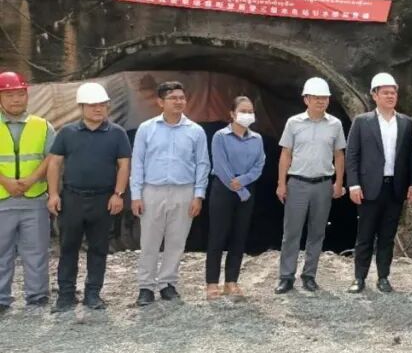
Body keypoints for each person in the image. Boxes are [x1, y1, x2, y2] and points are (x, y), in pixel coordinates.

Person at [46, 82, 130, 311]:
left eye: (102, 104)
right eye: (92, 105)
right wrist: (53, 194)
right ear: (81, 107)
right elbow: (54, 163)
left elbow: (124, 165)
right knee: (68, 247)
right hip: (72, 198)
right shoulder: (67, 133)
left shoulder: (117, 133)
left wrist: (118, 194)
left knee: (99, 248)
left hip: (103, 199)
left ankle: (93, 294)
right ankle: (66, 295)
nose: (98, 109)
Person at [131, 80, 211, 306]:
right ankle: (146, 286)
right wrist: (136, 195)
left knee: (177, 241)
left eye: (181, 98)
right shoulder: (146, 129)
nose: (178, 102)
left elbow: (203, 164)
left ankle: (168, 283)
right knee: (149, 241)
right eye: (173, 98)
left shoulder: (195, 131)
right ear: (160, 102)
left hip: (183, 191)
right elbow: (137, 162)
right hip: (152, 190)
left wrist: (198, 195)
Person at [345, 73, 412, 294]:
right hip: (369, 188)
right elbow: (352, 155)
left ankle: (383, 277)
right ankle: (359, 278)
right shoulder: (362, 122)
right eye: (385, 92)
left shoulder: (406, 123)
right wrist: (354, 184)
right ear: (374, 95)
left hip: (395, 188)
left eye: (393, 92)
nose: (390, 96)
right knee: (365, 236)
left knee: (387, 237)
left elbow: (411, 156)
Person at [275, 77, 347, 294]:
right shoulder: (293, 123)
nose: (321, 101)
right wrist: (281, 183)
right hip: (298, 183)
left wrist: (339, 183)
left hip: (323, 184)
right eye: (316, 97)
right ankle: (286, 276)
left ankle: (309, 275)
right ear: (306, 99)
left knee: (317, 232)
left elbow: (339, 154)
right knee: (292, 232)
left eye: (324, 98)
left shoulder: (335, 124)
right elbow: (285, 154)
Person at [0, 71, 56, 313]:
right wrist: (6, 182)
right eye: (9, 95)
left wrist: (32, 179)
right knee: (1, 252)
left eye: (20, 94)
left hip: (34, 199)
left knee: (36, 250)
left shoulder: (42, 126)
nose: (16, 99)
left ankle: (37, 296)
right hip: (2, 199)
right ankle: (1, 299)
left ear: (27, 95)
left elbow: (52, 157)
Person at [206, 96, 265, 299]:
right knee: (217, 236)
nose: (247, 115)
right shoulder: (220, 136)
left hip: (247, 188)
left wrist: (244, 181)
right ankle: (212, 283)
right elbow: (220, 166)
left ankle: (231, 281)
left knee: (239, 236)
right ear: (232, 114)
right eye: (243, 111)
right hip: (224, 188)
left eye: (250, 111)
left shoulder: (257, 139)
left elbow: (259, 164)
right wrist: (240, 190)